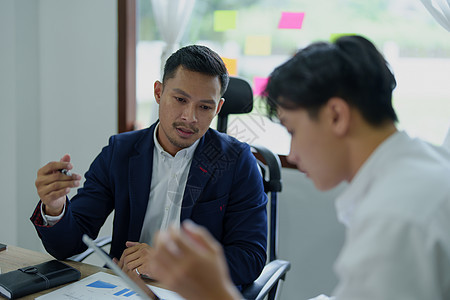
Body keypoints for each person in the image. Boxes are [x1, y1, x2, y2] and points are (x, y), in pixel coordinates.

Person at [146, 35, 450, 300]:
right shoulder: (421, 167)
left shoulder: (397, 219)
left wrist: (216, 294)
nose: (293, 153)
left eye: (292, 130)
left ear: (336, 116)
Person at [30, 45, 268, 288]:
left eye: (204, 107)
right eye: (180, 99)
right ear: (158, 92)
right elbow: (69, 245)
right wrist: (55, 207)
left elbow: (250, 259)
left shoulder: (237, 161)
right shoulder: (120, 152)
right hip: (125, 287)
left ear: (217, 108)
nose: (190, 117)